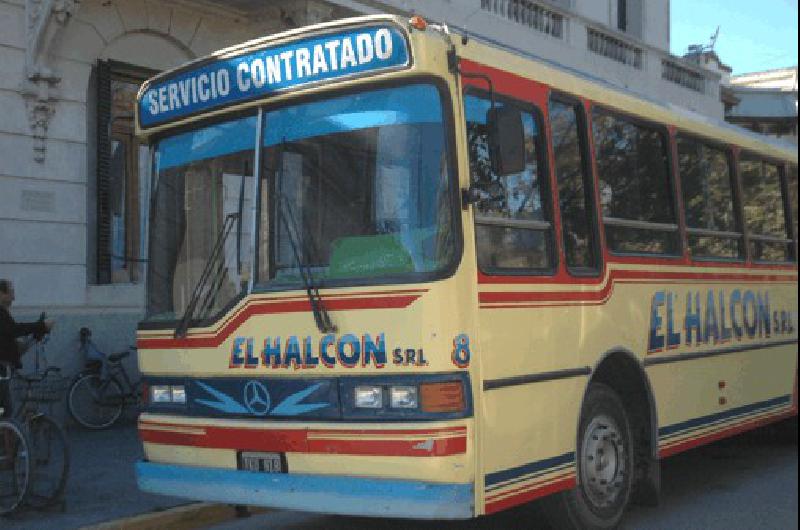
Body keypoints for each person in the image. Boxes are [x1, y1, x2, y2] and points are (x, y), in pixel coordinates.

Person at [0, 279, 54, 418]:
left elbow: (11, 338)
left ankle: (8, 437)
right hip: (2, 368)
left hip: (5, 366)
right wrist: (40, 326)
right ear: (1, 294)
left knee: (5, 410)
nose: (14, 296)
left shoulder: (3, 313)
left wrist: (36, 331)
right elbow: (14, 330)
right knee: (5, 410)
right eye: (11, 292)